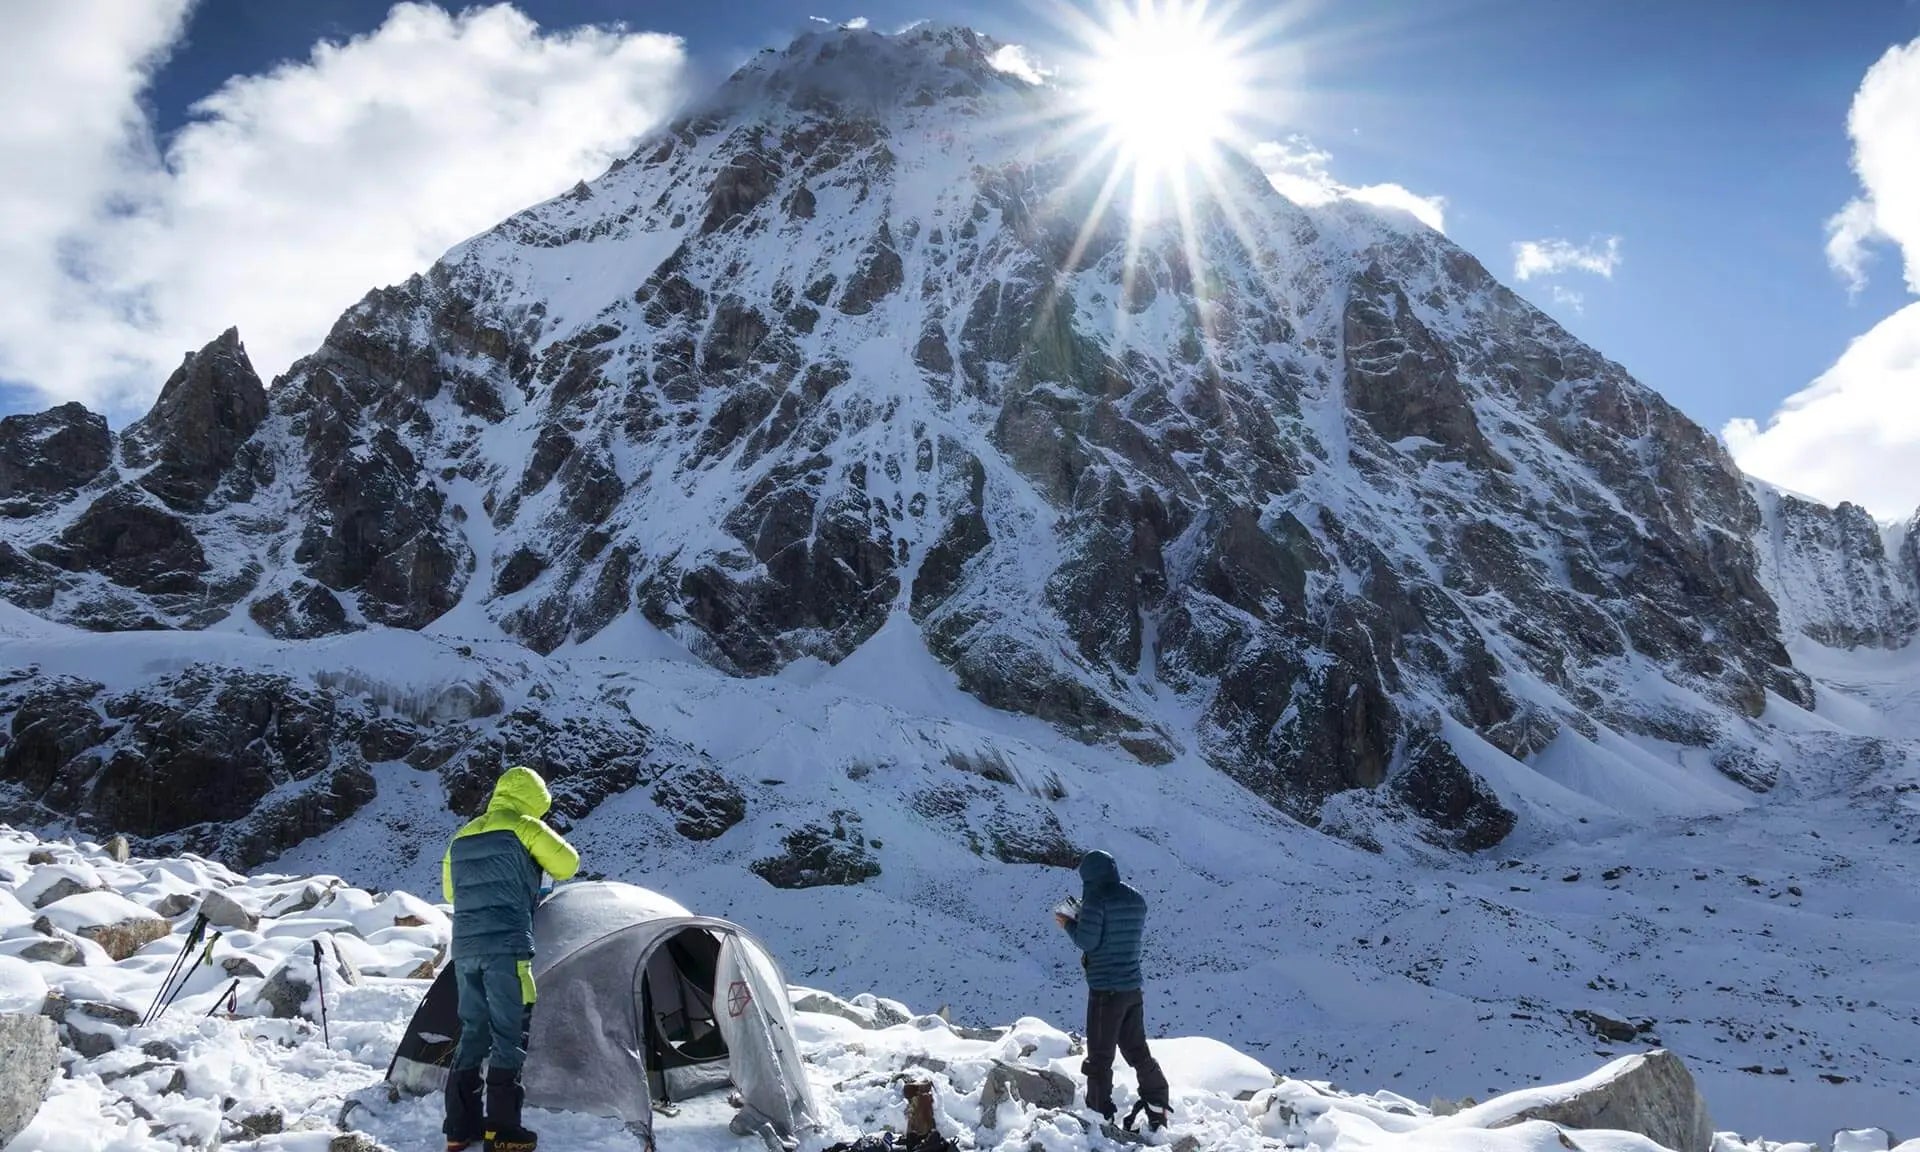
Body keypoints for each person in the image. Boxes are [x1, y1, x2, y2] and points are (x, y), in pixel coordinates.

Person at [442, 766, 580, 1152]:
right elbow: (568, 864)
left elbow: (451, 893)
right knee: (509, 1034)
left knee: (473, 1032)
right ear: (535, 801)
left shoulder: (462, 835)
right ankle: (502, 1132)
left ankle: (459, 1128)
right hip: (506, 948)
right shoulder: (524, 826)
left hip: (465, 950)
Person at [1055, 849, 1170, 1131]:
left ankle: (1098, 1114)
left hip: (1105, 990)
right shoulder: (1136, 898)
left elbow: (1088, 942)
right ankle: (1157, 1102)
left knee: (1099, 1056)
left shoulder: (1096, 899)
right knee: (1137, 1049)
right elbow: (1115, 933)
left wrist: (1069, 923)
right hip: (1132, 988)